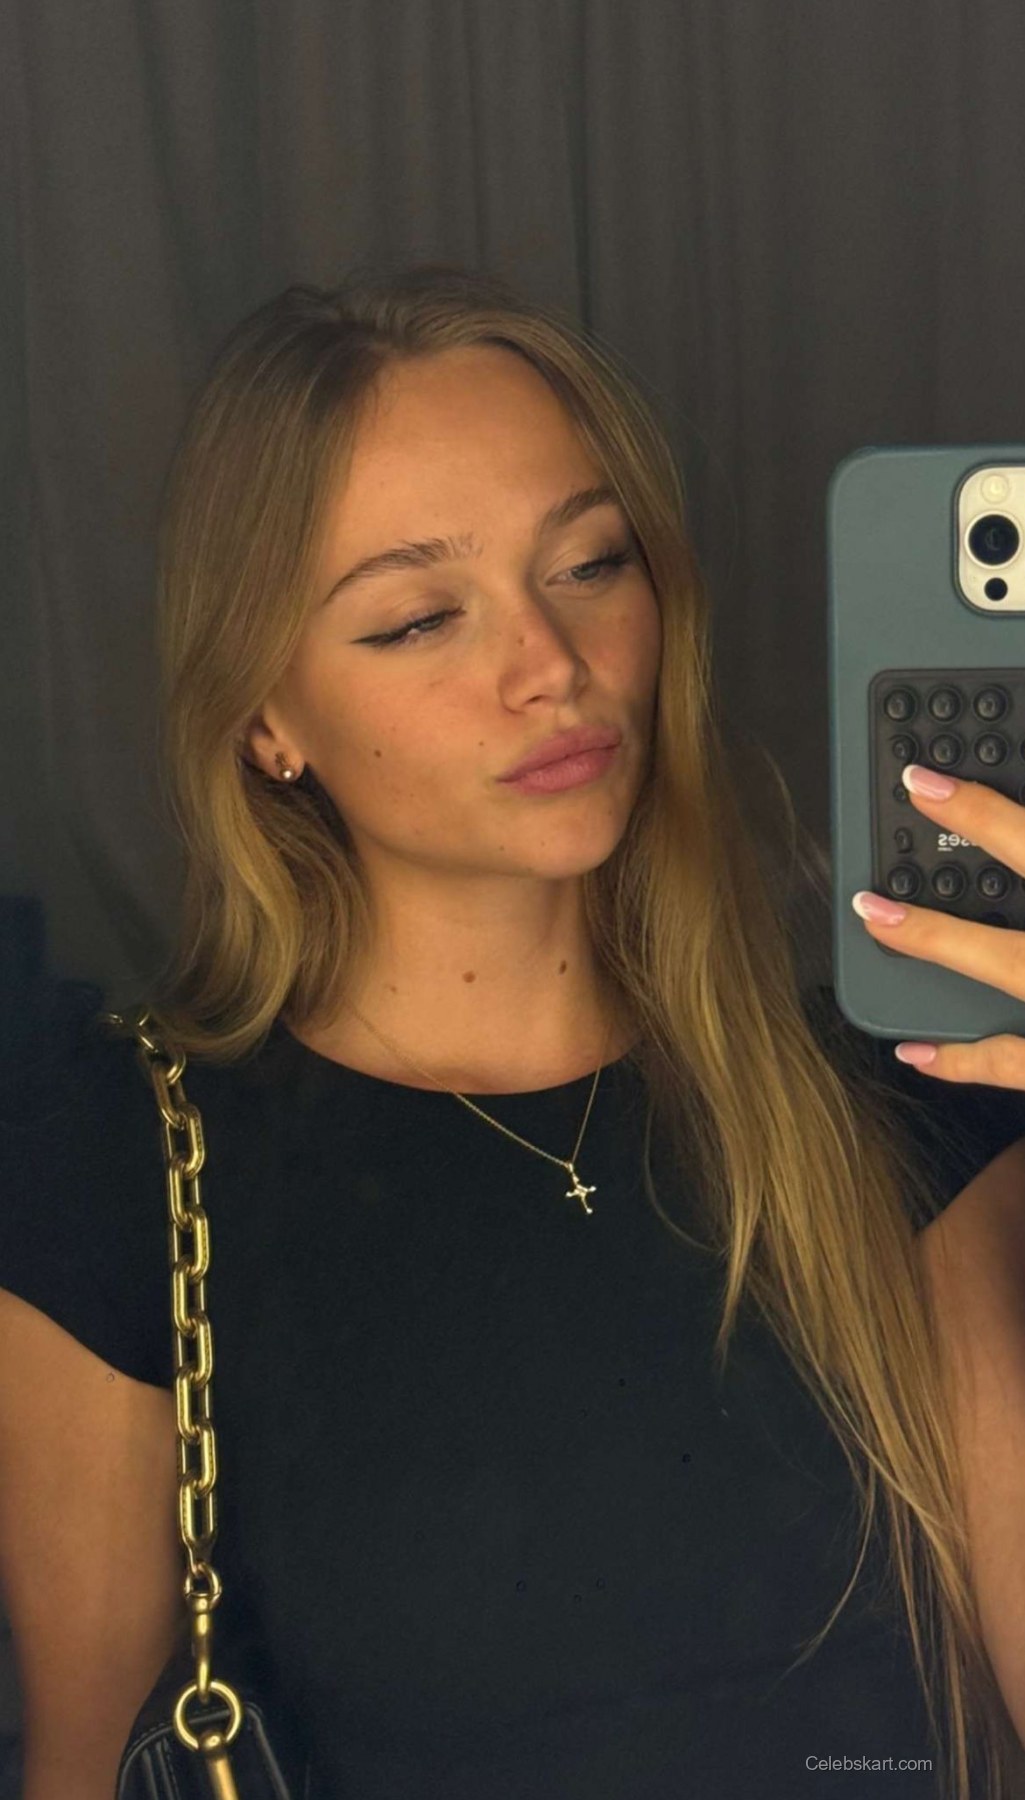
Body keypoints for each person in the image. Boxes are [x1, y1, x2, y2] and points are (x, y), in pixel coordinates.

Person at [2, 262, 1025, 1800]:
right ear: (266, 718)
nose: (549, 665)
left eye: (591, 562)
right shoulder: (119, 1171)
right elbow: (93, 1763)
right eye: (418, 618)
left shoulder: (907, 1100)